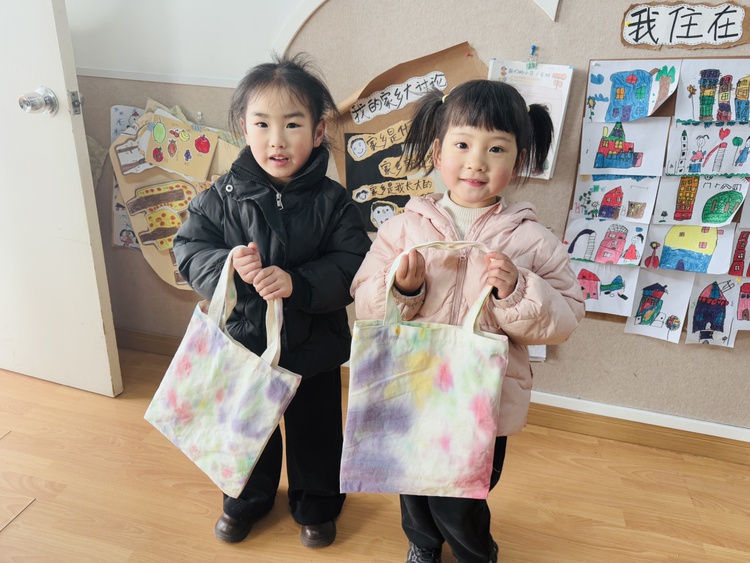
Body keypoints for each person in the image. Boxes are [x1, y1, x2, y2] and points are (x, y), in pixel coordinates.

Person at [350, 80, 585, 563]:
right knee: (412, 480)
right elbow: (365, 301)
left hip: (482, 398)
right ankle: (423, 544)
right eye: (462, 145)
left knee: (460, 496)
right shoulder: (402, 228)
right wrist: (403, 290)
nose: (477, 162)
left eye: (496, 149)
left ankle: (476, 552)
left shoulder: (532, 240)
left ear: (518, 162)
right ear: (438, 153)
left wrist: (516, 290)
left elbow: (566, 317)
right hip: (414, 386)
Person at [173, 54, 371, 549]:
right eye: (262, 124)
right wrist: (227, 264)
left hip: (315, 346)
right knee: (247, 428)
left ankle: (317, 505)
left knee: (316, 434)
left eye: (292, 124)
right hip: (245, 341)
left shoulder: (335, 203)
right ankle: (245, 500)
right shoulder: (222, 196)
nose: (276, 139)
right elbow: (189, 247)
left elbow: (353, 264)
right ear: (244, 128)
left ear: (319, 131)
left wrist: (298, 283)